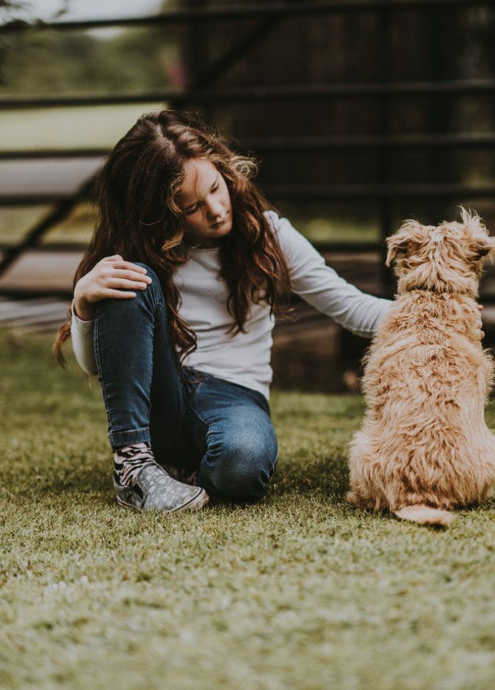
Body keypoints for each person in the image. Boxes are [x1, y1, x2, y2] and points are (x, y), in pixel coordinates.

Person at [54, 109, 394, 513]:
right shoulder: (136, 257)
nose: (216, 209)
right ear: (159, 216)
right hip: (162, 393)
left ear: (225, 169)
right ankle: (134, 467)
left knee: (243, 466)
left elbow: (352, 307)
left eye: (216, 188)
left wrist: (441, 315)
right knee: (128, 277)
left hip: (235, 394)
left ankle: (177, 474)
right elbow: (97, 369)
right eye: (191, 208)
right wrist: (83, 304)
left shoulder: (269, 236)